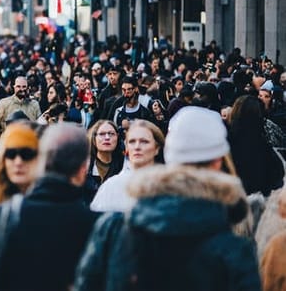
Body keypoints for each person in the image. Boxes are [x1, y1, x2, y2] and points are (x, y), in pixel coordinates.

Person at [75, 105, 261, 291]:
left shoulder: (114, 229)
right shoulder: (235, 247)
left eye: (143, 141)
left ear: (164, 151)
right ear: (218, 161)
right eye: (132, 142)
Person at [0, 123, 99, 291]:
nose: (18, 161)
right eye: (11, 154)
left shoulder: (0, 216)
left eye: (27, 154)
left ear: (43, 159)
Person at [90, 120, 165, 212]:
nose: (137, 147)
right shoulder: (111, 185)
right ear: (127, 146)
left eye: (144, 141)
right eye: (132, 141)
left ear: (157, 148)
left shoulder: (168, 185)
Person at [227, 95, 285, 196]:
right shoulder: (264, 146)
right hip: (259, 200)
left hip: (233, 199)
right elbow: (277, 175)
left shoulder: (227, 142)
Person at [83, 119, 125, 203]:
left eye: (111, 134)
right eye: (102, 134)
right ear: (94, 138)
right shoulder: (83, 167)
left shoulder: (125, 166)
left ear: (117, 137)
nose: (107, 138)